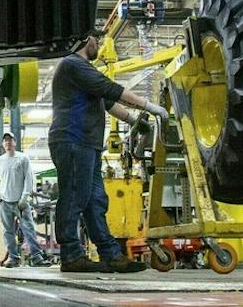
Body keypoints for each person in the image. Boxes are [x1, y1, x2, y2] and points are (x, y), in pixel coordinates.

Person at [49, 30, 164, 274]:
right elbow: (110, 89)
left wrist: (135, 121)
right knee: (74, 197)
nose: (99, 44)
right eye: (97, 39)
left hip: (87, 144)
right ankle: (71, 256)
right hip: (73, 140)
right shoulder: (73, 64)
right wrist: (149, 106)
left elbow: (108, 103)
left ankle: (111, 255)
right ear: (85, 39)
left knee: (95, 200)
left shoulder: (83, 71)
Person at [0, 132, 41, 266]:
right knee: (8, 232)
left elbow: (29, 178)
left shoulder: (23, 158)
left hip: (20, 202)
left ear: (15, 142)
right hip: (5, 201)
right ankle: (13, 258)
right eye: (5, 140)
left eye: (10, 140)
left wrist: (25, 197)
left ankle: (36, 257)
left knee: (28, 229)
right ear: (3, 144)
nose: (8, 142)